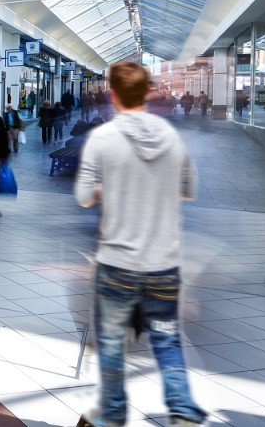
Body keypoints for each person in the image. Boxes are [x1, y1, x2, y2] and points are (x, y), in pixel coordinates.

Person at [74, 62, 206, 427]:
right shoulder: (169, 136)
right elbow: (188, 191)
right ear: (147, 93)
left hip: (117, 264)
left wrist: (114, 187)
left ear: (113, 95)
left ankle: (113, 415)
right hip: (163, 264)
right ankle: (182, 410)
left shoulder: (103, 138)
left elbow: (85, 196)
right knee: (166, 339)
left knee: (112, 344)